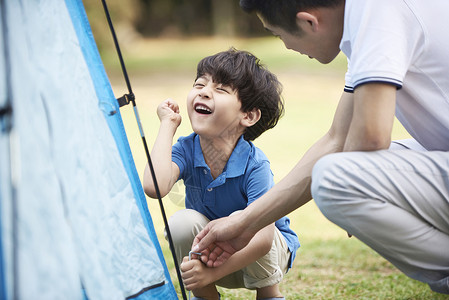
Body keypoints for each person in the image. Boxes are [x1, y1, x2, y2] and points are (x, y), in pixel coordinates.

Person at [192, 0, 449, 295]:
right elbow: (337, 139)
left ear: (309, 22)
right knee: (337, 169)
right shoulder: (365, 18)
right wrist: (245, 223)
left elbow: (371, 138)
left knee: (334, 175)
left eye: (279, 35)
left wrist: (353, 188)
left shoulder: (377, 12)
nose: (287, 47)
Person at [143, 48, 300, 300]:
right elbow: (154, 186)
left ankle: (269, 294)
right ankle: (206, 296)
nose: (204, 91)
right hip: (212, 257)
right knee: (181, 223)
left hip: (263, 255)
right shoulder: (186, 148)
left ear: (247, 115)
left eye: (221, 89)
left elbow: (263, 237)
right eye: (200, 84)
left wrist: (212, 274)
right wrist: (167, 126)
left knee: (248, 218)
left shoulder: (255, 163)